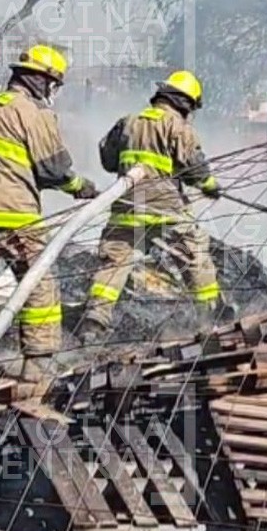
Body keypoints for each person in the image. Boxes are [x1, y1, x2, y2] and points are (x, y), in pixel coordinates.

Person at [0, 44, 98, 380]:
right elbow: (52, 169)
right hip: (12, 216)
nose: (53, 91)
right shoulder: (34, 113)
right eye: (53, 84)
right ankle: (37, 366)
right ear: (41, 81)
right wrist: (81, 187)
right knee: (39, 285)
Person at [76, 70, 223, 344]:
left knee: (113, 265)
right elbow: (196, 168)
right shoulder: (179, 127)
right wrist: (210, 185)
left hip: (127, 208)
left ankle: (93, 324)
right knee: (195, 256)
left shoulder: (128, 122)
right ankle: (209, 317)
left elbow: (108, 160)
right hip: (166, 210)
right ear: (184, 103)